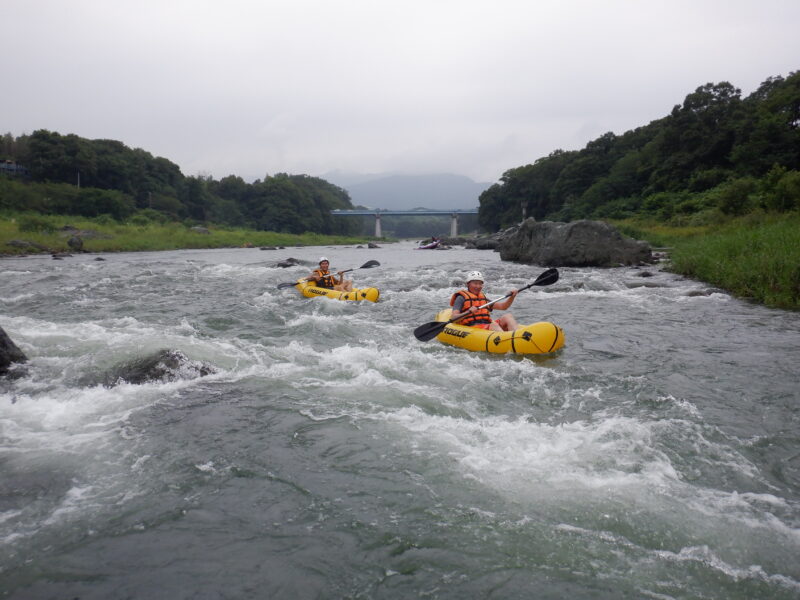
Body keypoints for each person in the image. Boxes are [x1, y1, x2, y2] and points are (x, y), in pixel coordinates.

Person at [449, 271, 518, 331]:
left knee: (508, 316)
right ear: (468, 284)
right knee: (493, 325)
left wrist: (512, 297)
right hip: (473, 328)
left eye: (480, 284)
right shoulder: (461, 298)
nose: (478, 286)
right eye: (475, 283)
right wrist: (468, 312)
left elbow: (503, 307)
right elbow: (454, 317)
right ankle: (507, 342)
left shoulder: (483, 298)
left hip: (486, 326)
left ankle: (517, 338)